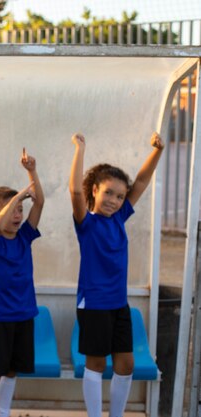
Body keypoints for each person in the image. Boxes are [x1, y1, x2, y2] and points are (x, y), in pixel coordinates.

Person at [69, 132, 164, 417]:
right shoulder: (86, 221)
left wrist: (157, 151)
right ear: (95, 190)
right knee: (96, 364)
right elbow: (74, 191)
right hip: (94, 305)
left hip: (118, 304)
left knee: (126, 365)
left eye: (120, 196)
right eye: (108, 192)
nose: (114, 200)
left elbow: (143, 181)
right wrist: (80, 149)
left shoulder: (120, 217)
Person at [0, 148, 44, 417]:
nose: (17, 215)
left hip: (24, 315)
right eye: (11, 210)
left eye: (20, 210)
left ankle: (3, 412)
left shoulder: (25, 236)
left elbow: (39, 203)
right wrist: (19, 195)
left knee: (13, 370)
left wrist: (31, 171)